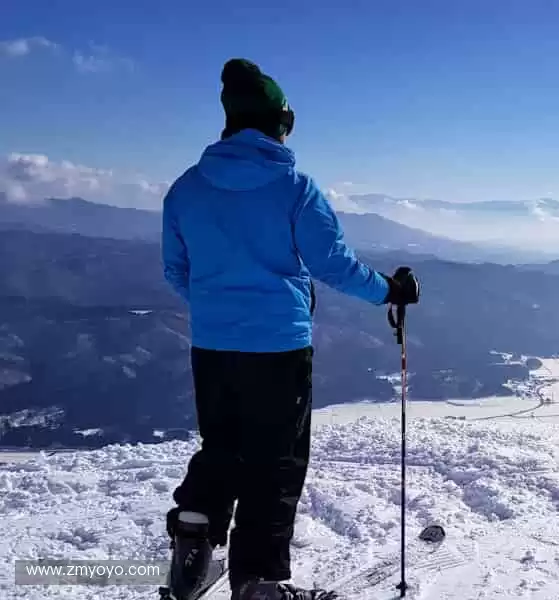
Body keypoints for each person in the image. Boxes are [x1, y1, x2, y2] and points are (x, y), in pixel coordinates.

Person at [160, 58, 419, 600]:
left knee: (223, 445)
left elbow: (176, 271)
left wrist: (217, 307)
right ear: (281, 122)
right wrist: (390, 291)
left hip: (211, 345)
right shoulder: (294, 187)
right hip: (277, 347)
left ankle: (193, 531)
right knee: (274, 462)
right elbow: (334, 265)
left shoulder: (185, 189)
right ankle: (258, 584)